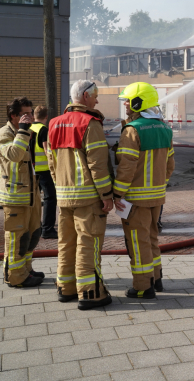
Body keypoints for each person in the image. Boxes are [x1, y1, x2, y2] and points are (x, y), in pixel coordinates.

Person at [47, 80, 114, 310]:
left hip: (63, 197)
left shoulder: (54, 124)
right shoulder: (90, 123)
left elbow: (51, 163)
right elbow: (98, 164)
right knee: (88, 242)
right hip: (88, 198)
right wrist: (106, 195)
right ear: (85, 96)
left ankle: (65, 288)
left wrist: (60, 188)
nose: (97, 99)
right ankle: (90, 293)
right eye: (95, 94)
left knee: (66, 242)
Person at [113, 82, 175, 299]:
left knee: (137, 243)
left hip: (135, 199)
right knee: (151, 237)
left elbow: (126, 166)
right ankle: (156, 279)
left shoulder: (132, 130)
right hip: (157, 197)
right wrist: (158, 185)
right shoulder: (165, 128)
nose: (126, 104)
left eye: (129, 100)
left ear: (140, 102)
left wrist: (117, 194)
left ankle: (142, 286)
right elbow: (170, 165)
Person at [0, 97, 44, 288]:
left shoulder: (26, 132)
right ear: (13, 116)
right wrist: (22, 131)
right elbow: (14, 155)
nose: (29, 117)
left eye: (30, 112)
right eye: (24, 114)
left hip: (31, 194)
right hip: (14, 196)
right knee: (17, 238)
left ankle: (26, 269)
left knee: (33, 233)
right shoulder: (3, 134)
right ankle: (16, 276)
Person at [30, 106, 58, 239]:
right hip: (44, 171)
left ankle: (33, 227)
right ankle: (47, 229)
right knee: (50, 198)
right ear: (46, 117)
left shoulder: (28, 128)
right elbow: (47, 151)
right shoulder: (43, 129)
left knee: (34, 200)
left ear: (34, 115)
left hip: (32, 171)